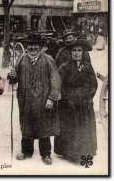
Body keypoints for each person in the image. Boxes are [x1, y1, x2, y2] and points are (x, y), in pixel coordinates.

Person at [9, 33, 61, 165]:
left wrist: (52, 98)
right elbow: (14, 79)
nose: (33, 47)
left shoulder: (48, 59)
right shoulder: (21, 59)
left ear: (41, 47)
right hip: (26, 100)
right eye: (30, 45)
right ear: (27, 47)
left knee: (44, 125)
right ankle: (26, 151)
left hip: (43, 100)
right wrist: (12, 75)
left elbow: (55, 79)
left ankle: (46, 154)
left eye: (36, 45)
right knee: (26, 124)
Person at [54, 39, 97, 162]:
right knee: (70, 127)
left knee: (84, 126)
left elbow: (93, 84)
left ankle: (85, 151)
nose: (76, 53)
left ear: (83, 52)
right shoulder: (64, 67)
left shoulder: (88, 67)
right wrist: (68, 99)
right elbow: (59, 85)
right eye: (74, 50)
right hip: (68, 103)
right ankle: (69, 153)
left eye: (79, 50)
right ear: (70, 52)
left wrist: (87, 97)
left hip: (84, 102)